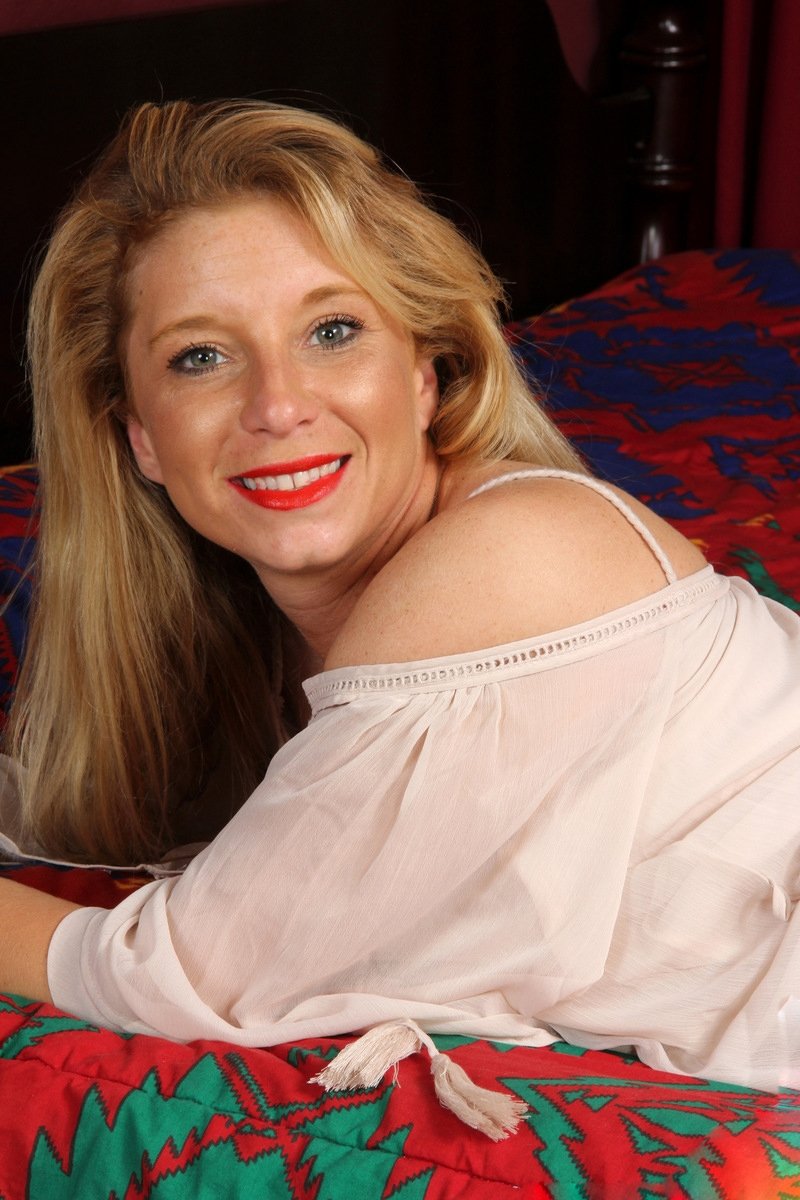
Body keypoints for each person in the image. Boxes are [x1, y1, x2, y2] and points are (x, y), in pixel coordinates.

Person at [0, 100, 798, 1133]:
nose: (277, 405)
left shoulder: (505, 556)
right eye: (200, 356)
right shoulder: (277, 642)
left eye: (332, 332)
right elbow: (92, 811)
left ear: (424, 377)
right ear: (141, 438)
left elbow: (176, 975)